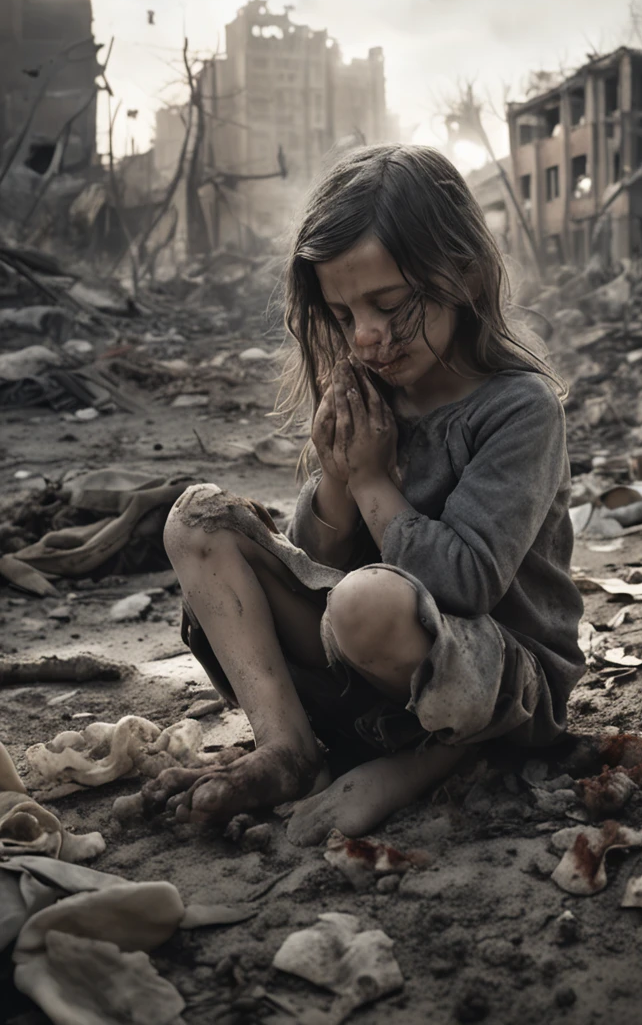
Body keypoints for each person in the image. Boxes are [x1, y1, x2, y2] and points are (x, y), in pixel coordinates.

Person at [146, 143, 585, 846]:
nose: (367, 337)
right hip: (366, 660)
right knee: (197, 521)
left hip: (497, 682)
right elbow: (319, 560)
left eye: (387, 304)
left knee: (367, 600)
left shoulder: (519, 409)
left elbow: (465, 582)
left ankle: (430, 761)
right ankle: (288, 748)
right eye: (345, 314)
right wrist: (338, 484)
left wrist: (376, 480)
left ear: (463, 276)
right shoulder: (372, 394)